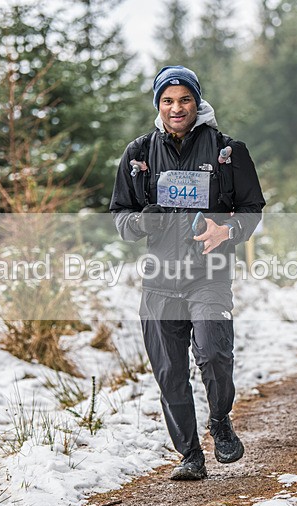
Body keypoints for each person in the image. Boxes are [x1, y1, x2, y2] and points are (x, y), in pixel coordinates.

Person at [110, 65, 266, 480]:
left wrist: (228, 229)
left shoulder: (227, 151)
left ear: (197, 102)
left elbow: (253, 211)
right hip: (159, 281)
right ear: (158, 105)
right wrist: (145, 221)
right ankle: (190, 455)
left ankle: (219, 421)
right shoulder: (138, 154)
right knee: (169, 371)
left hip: (209, 273)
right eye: (168, 101)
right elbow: (122, 221)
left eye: (184, 100)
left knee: (214, 352)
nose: (176, 108)